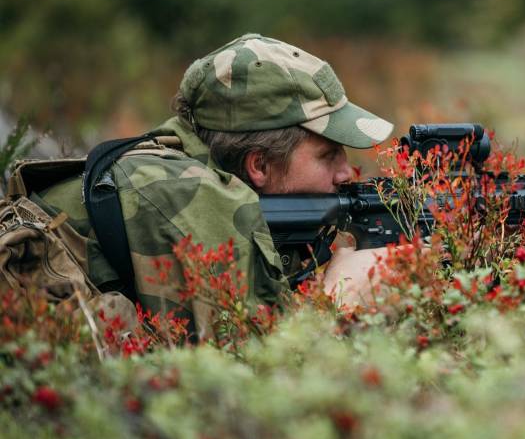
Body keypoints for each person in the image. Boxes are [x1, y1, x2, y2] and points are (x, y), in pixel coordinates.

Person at [31, 33, 392, 337]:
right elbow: (255, 374)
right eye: (328, 155)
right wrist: (340, 300)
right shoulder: (187, 196)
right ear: (260, 165)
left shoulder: (185, 163)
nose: (347, 173)